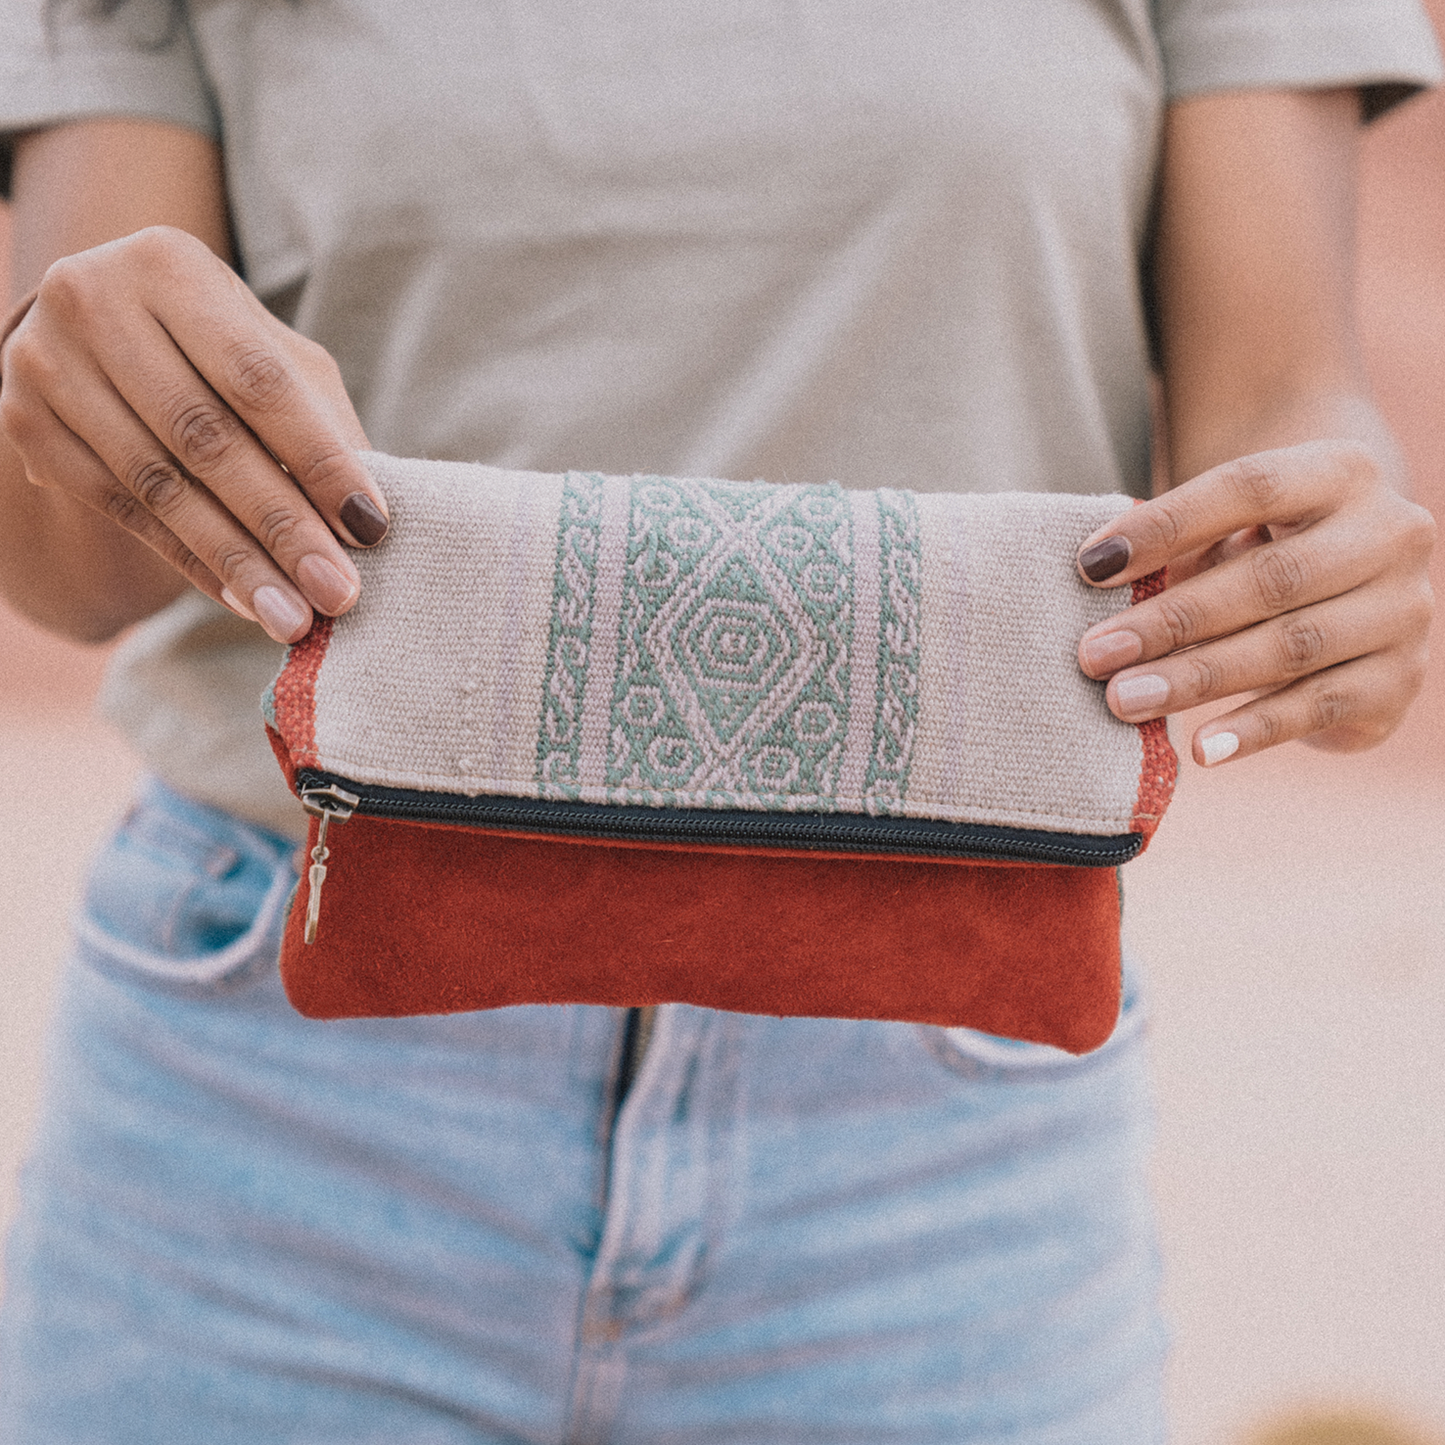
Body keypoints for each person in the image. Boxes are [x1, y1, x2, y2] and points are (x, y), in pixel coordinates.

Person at [0, 1, 1437, 1440]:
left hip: (938, 1144)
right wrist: (59, 379)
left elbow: (1285, 400)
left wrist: (1333, 553)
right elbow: (71, 572)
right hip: (268, 1106)